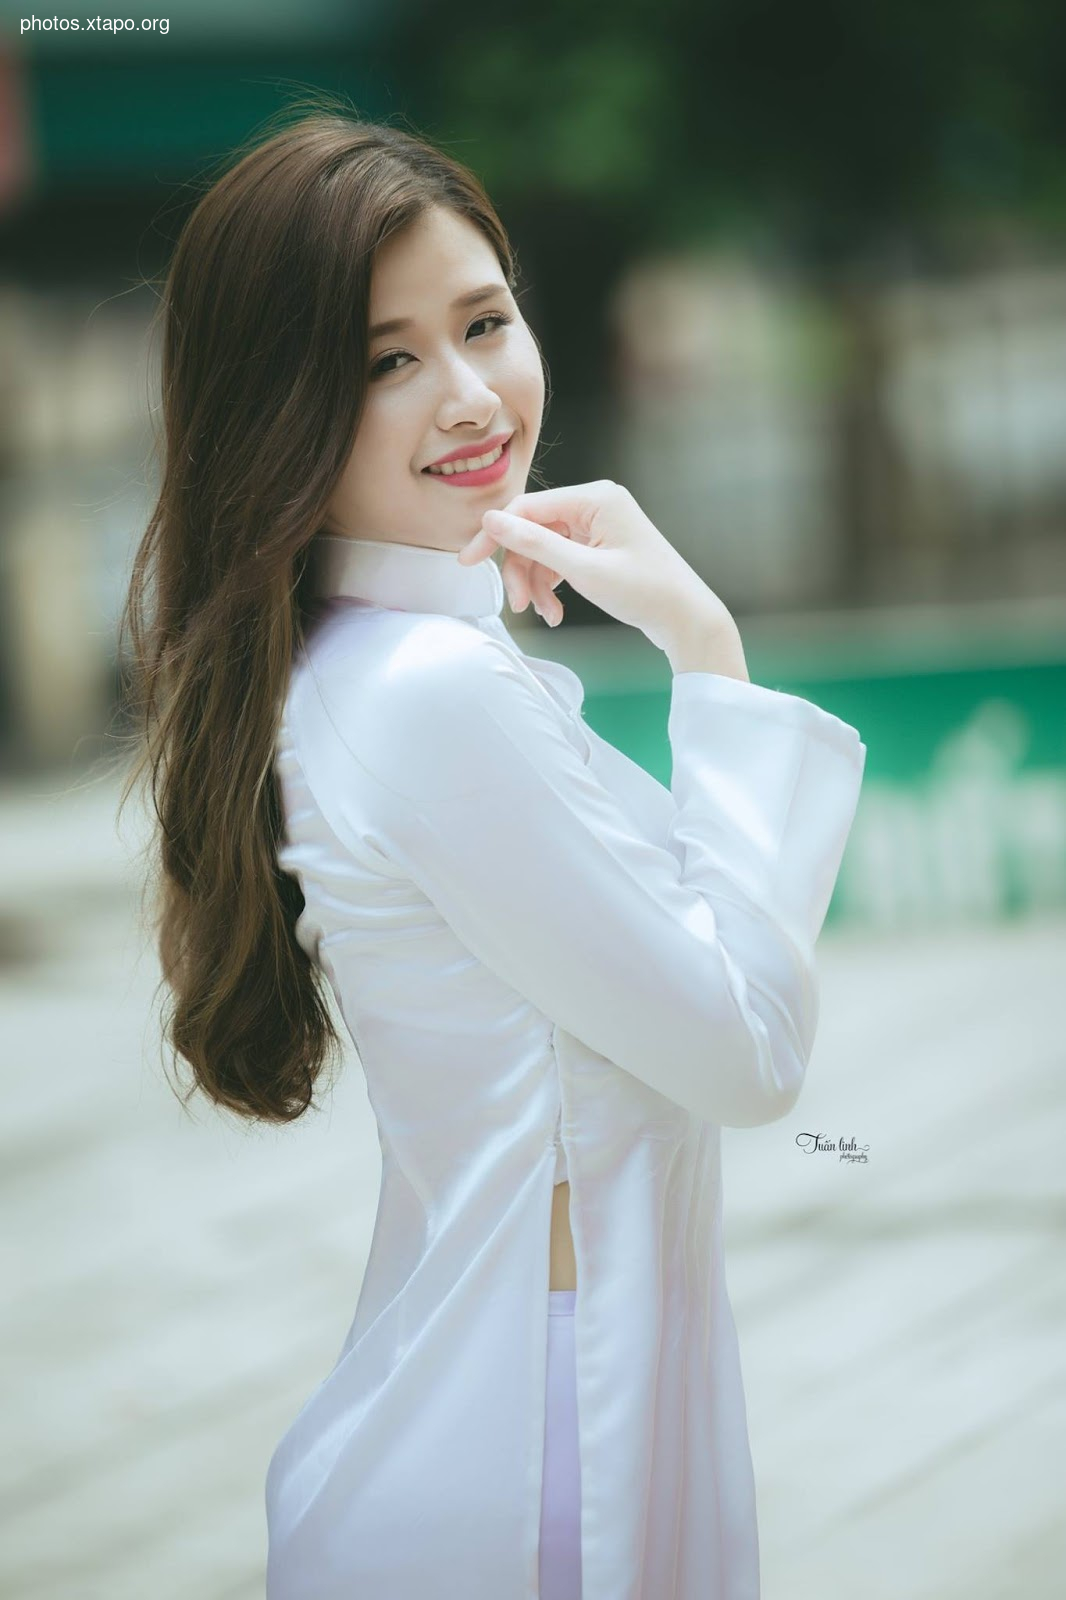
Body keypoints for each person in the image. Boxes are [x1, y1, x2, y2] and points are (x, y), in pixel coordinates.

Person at [117, 99, 867, 1600]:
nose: (468, 397)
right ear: (279, 407)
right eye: (385, 359)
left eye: (485, 322)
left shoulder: (368, 661)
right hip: (536, 1463)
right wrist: (703, 649)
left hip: (503, 1420)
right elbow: (745, 1053)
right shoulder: (432, 693)